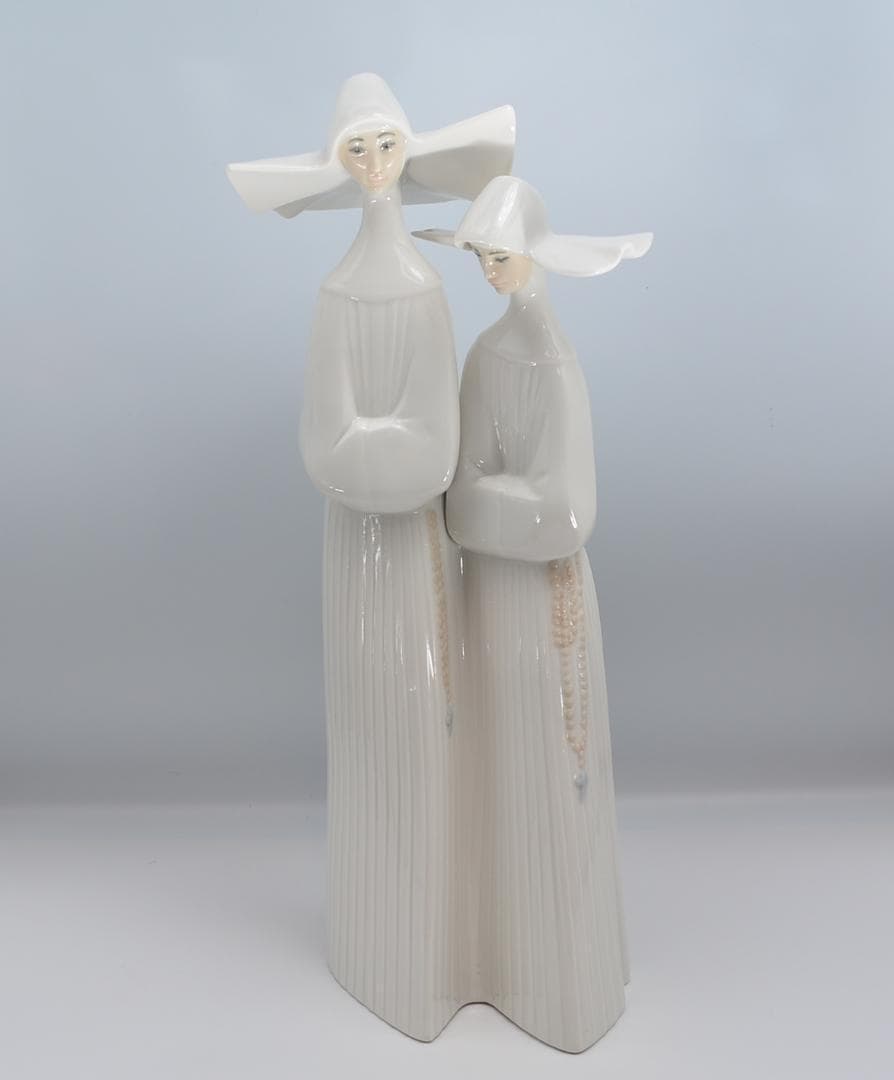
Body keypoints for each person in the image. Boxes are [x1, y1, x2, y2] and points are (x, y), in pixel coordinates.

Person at [228, 74, 515, 1040]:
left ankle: (431, 948)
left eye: (387, 144)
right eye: (358, 148)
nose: (376, 163)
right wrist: (375, 452)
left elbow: (432, 450)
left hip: (415, 547)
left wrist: (374, 449)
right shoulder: (338, 293)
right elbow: (325, 445)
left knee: (426, 722)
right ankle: (374, 942)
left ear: (408, 150)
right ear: (338, 161)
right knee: (366, 730)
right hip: (355, 555)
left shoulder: (425, 292)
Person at [415, 175, 651, 1051]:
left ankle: (556, 971)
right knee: (493, 767)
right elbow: (459, 496)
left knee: (551, 769)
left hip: (539, 601)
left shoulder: (554, 365)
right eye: (480, 256)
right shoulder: (485, 357)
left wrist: (490, 501)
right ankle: (493, 953)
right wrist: (489, 500)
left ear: (536, 254)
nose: (488, 270)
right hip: (486, 597)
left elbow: (566, 513)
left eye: (501, 254)